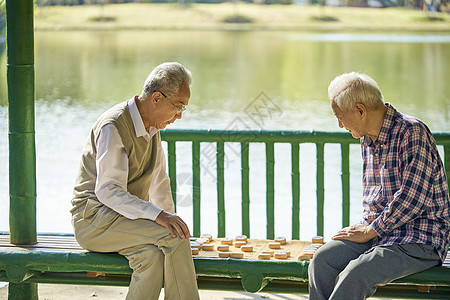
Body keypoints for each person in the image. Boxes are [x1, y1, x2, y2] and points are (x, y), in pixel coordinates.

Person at [308, 72, 450, 299]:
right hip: (381, 234)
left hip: (420, 239)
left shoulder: (412, 132)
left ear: (360, 110)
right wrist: (367, 229)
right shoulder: (366, 138)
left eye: (340, 117)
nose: (340, 124)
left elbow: (412, 201)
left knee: (356, 273)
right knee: (322, 261)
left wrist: (370, 230)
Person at [71, 62, 200, 300]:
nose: (179, 115)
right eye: (179, 106)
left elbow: (160, 183)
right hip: (92, 220)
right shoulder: (114, 126)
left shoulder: (152, 129)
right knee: (175, 238)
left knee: (151, 258)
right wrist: (162, 219)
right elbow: (108, 191)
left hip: (121, 221)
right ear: (157, 98)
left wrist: (168, 218)